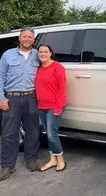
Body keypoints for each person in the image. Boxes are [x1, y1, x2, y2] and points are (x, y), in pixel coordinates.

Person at [0, 27, 41, 181]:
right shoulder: (7, 55)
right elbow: (0, 77)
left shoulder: (38, 55)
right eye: (24, 36)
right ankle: (7, 166)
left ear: (33, 39)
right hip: (11, 98)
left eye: (30, 37)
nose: (27, 39)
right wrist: (1, 98)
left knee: (32, 131)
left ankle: (31, 160)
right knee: (9, 133)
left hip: (31, 97)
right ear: (19, 38)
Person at [35, 44, 67, 172]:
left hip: (54, 106)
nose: (43, 54)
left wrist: (58, 107)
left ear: (50, 53)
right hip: (41, 106)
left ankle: (60, 160)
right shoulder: (39, 68)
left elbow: (62, 88)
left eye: (46, 52)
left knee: (52, 135)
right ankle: (52, 159)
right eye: (40, 52)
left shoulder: (57, 67)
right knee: (48, 134)